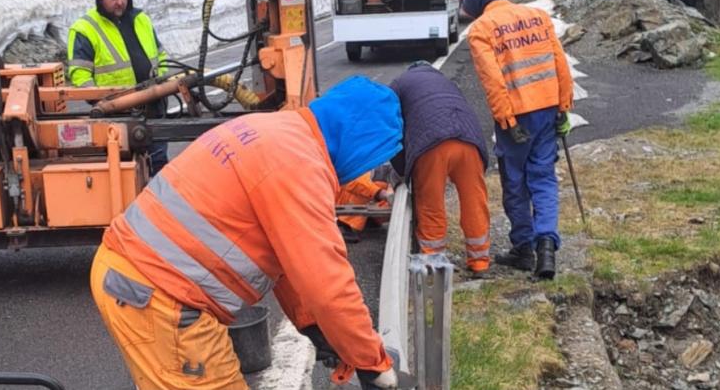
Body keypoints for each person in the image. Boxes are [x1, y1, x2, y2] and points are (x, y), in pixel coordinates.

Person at [90, 76, 403, 390]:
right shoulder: (300, 166)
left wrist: (312, 325)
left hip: (133, 277)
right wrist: (373, 363)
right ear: (360, 136)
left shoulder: (280, 132)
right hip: (158, 296)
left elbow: (293, 262)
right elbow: (329, 286)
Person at [462, 0, 574, 280]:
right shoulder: (537, 16)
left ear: (477, 5)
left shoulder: (482, 30)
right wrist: (564, 106)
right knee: (543, 177)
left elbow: (493, 81)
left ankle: (524, 249)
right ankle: (547, 245)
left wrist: (507, 121)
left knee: (515, 182)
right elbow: (559, 63)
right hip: (548, 108)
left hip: (517, 115)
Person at [389, 61, 491, 273]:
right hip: (469, 140)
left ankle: (432, 262)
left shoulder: (399, 84)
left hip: (432, 145)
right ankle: (480, 260)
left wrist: (402, 169)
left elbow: (393, 130)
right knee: (474, 199)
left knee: (430, 202)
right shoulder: (445, 81)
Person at [68, 0, 170, 175]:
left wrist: (164, 85)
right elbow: (80, 74)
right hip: (118, 113)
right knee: (127, 170)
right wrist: (101, 102)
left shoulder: (141, 19)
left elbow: (161, 55)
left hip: (153, 105)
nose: (119, 2)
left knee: (160, 164)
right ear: (100, 0)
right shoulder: (85, 28)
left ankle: (161, 205)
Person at [335, 171, 392, 244]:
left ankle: (367, 219)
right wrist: (379, 193)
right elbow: (352, 181)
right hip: (339, 194)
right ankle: (343, 222)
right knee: (362, 186)